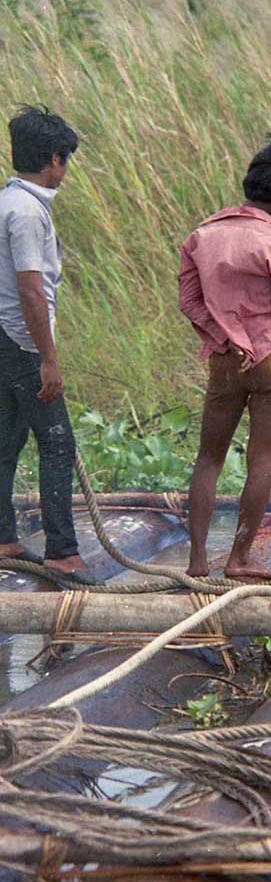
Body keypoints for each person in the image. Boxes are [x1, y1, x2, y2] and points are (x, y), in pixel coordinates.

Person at [179, 135, 271, 579]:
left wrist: (229, 337)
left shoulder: (202, 235)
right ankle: (238, 558)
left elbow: (190, 302)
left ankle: (196, 561)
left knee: (208, 458)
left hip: (225, 360)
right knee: (263, 460)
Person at [0, 105, 95, 584]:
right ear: (55, 159)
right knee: (57, 443)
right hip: (20, 342)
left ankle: (4, 537)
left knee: (7, 439)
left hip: (2, 338)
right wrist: (48, 360)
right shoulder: (27, 213)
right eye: (66, 161)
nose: (66, 170)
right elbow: (31, 290)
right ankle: (62, 551)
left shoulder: (6, 201)